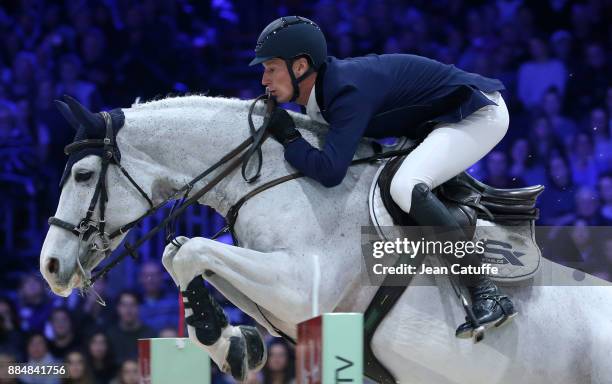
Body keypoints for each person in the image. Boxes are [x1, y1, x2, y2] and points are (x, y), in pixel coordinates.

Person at [250, 16, 516, 337]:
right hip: (435, 122)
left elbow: (331, 171)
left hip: (477, 113)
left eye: (271, 68)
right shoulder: (321, 98)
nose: (264, 79)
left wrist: (290, 138)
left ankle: (486, 291)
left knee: (406, 186)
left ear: (301, 66)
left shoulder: (345, 90)